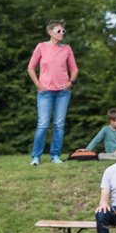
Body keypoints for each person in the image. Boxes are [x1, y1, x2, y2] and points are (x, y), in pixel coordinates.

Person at [27, 20, 78, 165]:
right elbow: (31, 68)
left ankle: (55, 156)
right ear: (50, 32)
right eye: (59, 31)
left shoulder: (67, 49)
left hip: (63, 92)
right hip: (45, 92)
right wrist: (38, 84)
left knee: (59, 125)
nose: (62, 33)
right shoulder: (41, 47)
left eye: (63, 31)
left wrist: (70, 82)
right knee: (43, 124)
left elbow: (74, 69)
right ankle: (36, 157)